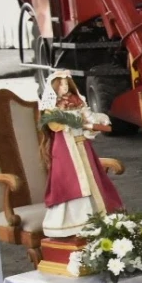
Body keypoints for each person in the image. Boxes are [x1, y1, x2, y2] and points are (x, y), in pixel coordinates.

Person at [38, 70, 124, 237]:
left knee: (91, 177)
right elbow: (55, 126)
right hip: (65, 148)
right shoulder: (52, 109)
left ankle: (96, 216)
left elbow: (88, 117)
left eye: (66, 84)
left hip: (82, 146)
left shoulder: (76, 102)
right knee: (69, 180)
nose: (64, 88)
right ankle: (73, 221)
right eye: (60, 85)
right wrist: (73, 124)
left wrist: (98, 121)